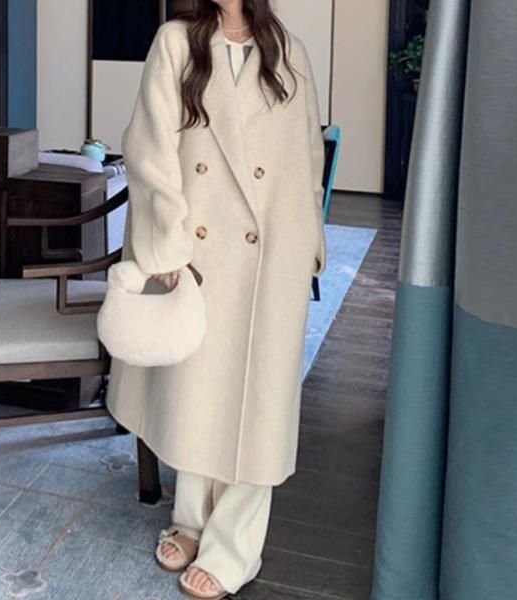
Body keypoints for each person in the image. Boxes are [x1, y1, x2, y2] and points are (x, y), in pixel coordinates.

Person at [105, 0, 327, 597]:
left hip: (272, 253)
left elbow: (307, 155)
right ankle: (191, 520)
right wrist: (166, 244)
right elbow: (149, 147)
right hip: (201, 250)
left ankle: (234, 548)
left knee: (258, 403)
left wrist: (309, 242)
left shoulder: (290, 52)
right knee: (200, 393)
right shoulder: (177, 42)